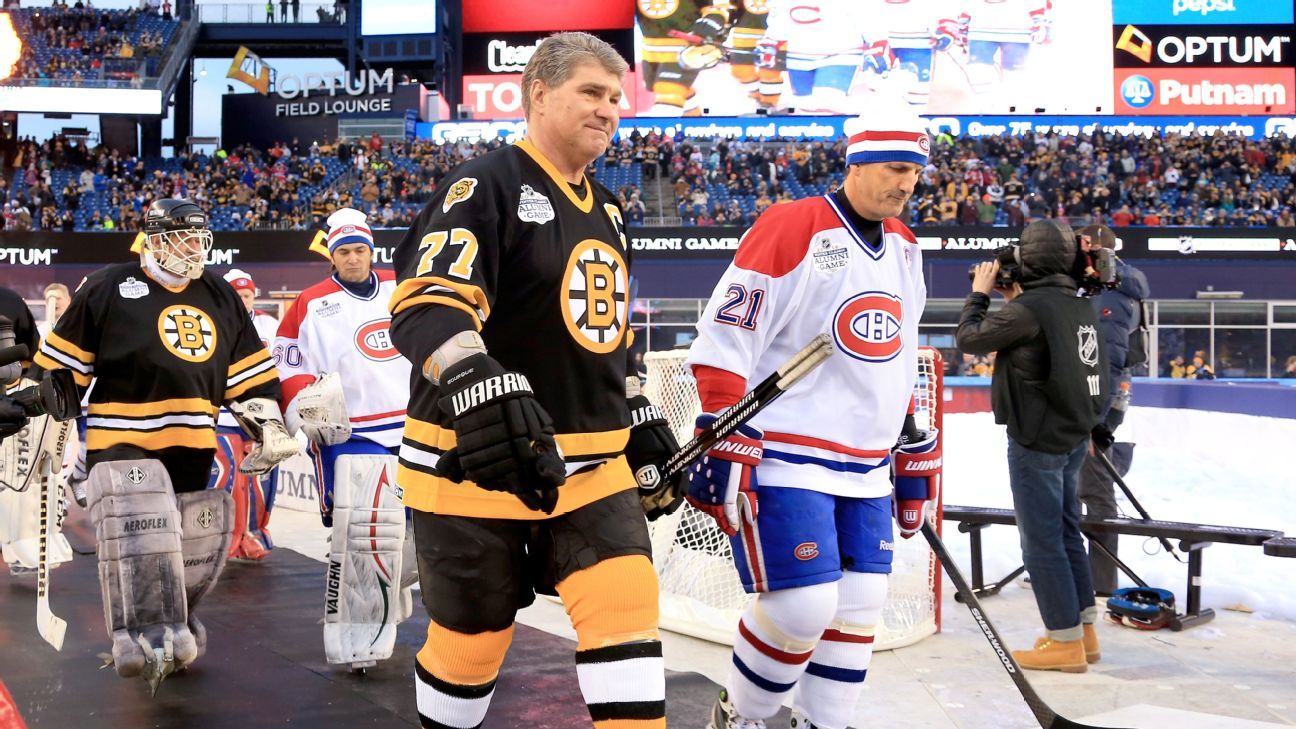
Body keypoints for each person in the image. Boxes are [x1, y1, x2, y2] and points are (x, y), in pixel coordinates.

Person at [389, 32, 681, 728]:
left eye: (616, 97)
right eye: (592, 92)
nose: (610, 109)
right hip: (471, 467)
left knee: (629, 618)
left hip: (593, 470)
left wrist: (635, 409)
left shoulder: (610, 207)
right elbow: (428, 304)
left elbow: (603, 336)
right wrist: (475, 376)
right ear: (538, 94)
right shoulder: (483, 185)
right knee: (470, 651)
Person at [685, 109, 935, 729]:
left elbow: (899, 352)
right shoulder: (794, 225)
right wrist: (721, 426)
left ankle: (823, 722)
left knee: (859, 606)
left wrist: (908, 441)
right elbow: (728, 332)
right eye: (896, 168)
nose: (907, 184)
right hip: (786, 451)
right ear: (856, 163)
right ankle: (739, 716)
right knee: (800, 607)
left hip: (867, 463)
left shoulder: (904, 247)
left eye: (917, 172)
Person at [31, 199, 299, 693]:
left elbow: (249, 374)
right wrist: (42, 402)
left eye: (200, 238)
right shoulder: (109, 285)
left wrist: (267, 421)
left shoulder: (218, 292)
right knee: (140, 534)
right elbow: (61, 368)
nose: (195, 248)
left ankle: (176, 624)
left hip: (194, 438)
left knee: (186, 546)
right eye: (184, 237)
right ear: (154, 237)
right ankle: (134, 634)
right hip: (123, 438)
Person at [956, 219, 1108, 673]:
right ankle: (1084, 633)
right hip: (1072, 437)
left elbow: (969, 340)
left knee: (1041, 542)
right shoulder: (1076, 303)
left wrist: (980, 294)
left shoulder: (1029, 310)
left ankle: (1062, 643)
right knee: (1065, 533)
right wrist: (1013, 303)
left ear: (1026, 260)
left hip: (1036, 438)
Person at [273, 208, 415, 671]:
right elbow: (288, 361)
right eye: (344, 252)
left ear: (371, 251)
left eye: (359, 250)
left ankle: (386, 596)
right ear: (331, 256)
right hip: (353, 433)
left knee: (420, 531)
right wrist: (302, 404)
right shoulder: (311, 302)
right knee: (361, 533)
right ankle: (357, 634)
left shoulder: (402, 284)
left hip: (415, 428)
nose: (353, 259)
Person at [1073, 225, 1149, 597]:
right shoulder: (1102, 286)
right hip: (1094, 400)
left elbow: (1107, 360)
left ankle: (1100, 582)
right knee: (1069, 484)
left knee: (1094, 487)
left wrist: (1095, 421)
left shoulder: (1113, 291)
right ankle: (1070, 570)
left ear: (1092, 247)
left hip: (1097, 402)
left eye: (1079, 245)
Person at [207, 268, 283, 561]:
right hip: (223, 416)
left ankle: (254, 534)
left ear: (255, 296)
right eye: (236, 295)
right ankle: (219, 540)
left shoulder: (270, 326)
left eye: (247, 295)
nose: (242, 300)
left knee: (259, 481)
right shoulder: (211, 324)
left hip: (261, 419)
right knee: (223, 477)